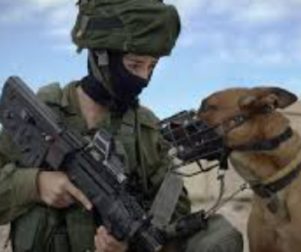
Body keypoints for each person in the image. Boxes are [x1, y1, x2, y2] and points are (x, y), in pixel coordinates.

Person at [0, 0, 243, 251]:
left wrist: (130, 245)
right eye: (134, 65)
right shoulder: (42, 114)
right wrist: (35, 185)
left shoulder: (146, 128)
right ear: (100, 55)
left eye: (152, 66)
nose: (143, 78)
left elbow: (174, 210)